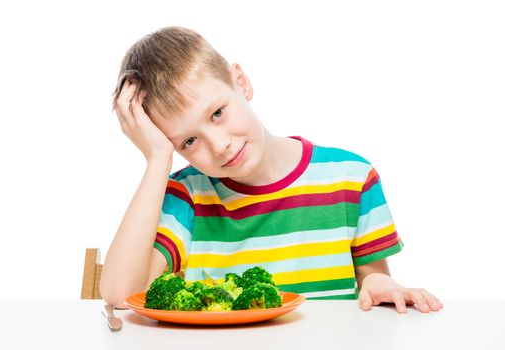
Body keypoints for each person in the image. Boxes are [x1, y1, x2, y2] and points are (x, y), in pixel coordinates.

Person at [100, 26, 443, 314]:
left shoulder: (351, 178)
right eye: (188, 141)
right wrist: (158, 159)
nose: (219, 145)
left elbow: (373, 281)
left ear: (241, 82)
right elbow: (120, 294)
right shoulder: (185, 197)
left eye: (217, 113)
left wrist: (380, 284)